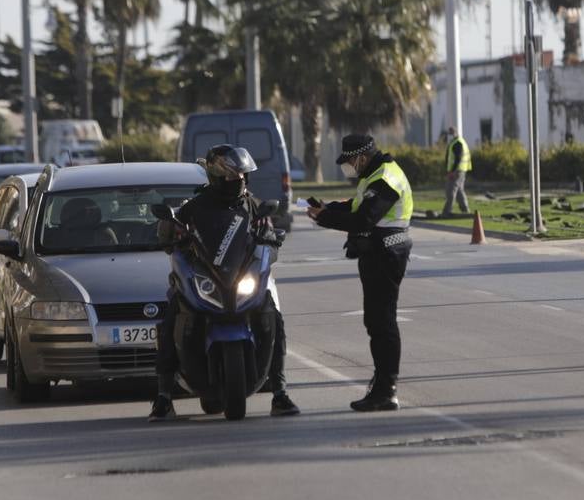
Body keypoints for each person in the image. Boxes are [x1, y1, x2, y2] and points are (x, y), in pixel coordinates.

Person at [148, 144, 298, 421]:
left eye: (242, 176)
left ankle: (280, 392)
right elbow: (168, 233)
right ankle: (163, 397)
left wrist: (272, 237)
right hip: (204, 279)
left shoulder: (252, 204)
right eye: (232, 176)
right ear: (216, 177)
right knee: (171, 314)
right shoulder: (194, 207)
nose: (238, 181)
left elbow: (269, 234)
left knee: (273, 314)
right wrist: (170, 232)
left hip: (241, 279)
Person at [307, 134, 412, 411]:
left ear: (361, 157)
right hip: (377, 254)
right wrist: (328, 208)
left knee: (383, 322)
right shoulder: (373, 175)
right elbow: (356, 207)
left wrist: (325, 218)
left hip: (387, 254)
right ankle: (381, 386)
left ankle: (387, 389)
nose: (348, 167)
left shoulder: (386, 177)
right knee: (375, 322)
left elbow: (365, 218)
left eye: (349, 161)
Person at [440, 126, 471, 217]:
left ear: (455, 133)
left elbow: (458, 158)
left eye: (451, 133)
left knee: (451, 191)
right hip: (460, 171)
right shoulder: (457, 142)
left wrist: (452, 171)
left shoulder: (458, 143)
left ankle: (446, 211)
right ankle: (465, 209)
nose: (449, 135)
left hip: (456, 171)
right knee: (459, 191)